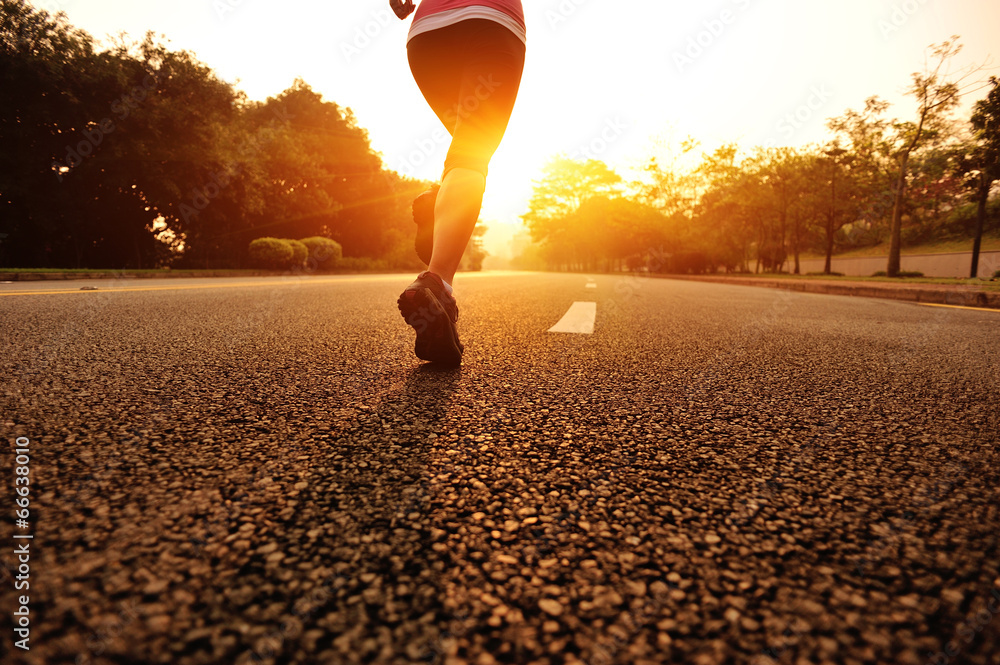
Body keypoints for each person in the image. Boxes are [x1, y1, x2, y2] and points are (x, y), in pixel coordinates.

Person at [391, 0, 526, 366]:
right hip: (491, 23)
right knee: (472, 152)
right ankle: (438, 285)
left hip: (427, 35)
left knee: (465, 145)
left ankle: (441, 206)